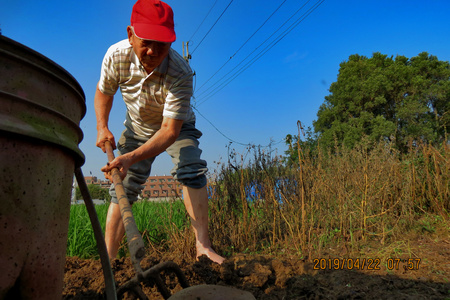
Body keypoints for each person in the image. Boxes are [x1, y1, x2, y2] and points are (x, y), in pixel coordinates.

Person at [94, 0, 224, 264]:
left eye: (162, 44)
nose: (153, 51)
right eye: (146, 43)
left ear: (172, 42)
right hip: (137, 126)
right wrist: (102, 126)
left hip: (175, 126)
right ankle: (107, 260)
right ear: (131, 35)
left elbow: (169, 131)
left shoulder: (181, 72)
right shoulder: (116, 55)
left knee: (190, 167)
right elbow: (104, 91)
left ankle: (203, 247)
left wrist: (131, 157)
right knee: (124, 183)